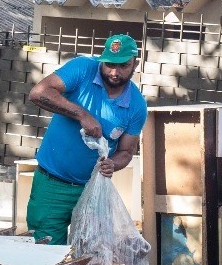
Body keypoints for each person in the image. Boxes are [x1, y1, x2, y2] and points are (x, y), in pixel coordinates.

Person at [25, 33, 148, 246]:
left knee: (92, 256)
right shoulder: (83, 68)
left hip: (93, 189)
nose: (114, 72)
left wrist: (113, 163)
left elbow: (126, 152)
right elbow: (38, 93)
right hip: (52, 183)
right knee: (44, 252)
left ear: (135, 63)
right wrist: (81, 115)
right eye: (109, 64)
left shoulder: (137, 106)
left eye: (123, 66)